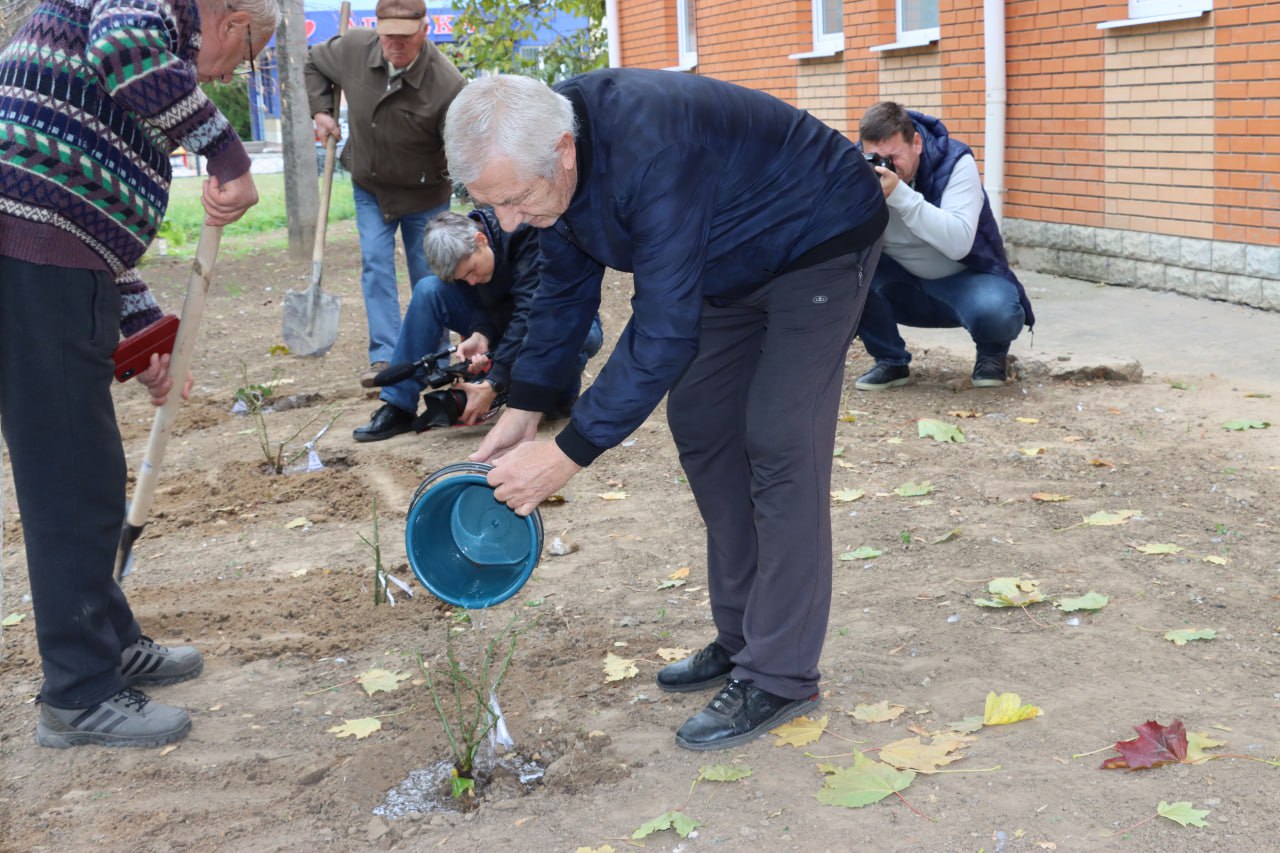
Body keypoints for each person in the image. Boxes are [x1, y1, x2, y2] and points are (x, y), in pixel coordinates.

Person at [443, 70, 888, 751]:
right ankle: (743, 638)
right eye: (489, 205)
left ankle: (780, 672)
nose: (504, 223)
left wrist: (568, 452)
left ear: (564, 152)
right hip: (727, 257)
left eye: (513, 199)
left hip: (818, 235)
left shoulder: (653, 151)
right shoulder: (546, 167)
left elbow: (662, 332)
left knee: (779, 437)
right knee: (702, 422)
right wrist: (526, 402)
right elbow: (562, 287)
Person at [0, 0, 279, 747]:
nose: (223, 77)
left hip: (50, 255)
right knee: (69, 478)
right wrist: (229, 158)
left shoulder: (153, 48)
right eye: (244, 59)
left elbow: (79, 210)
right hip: (27, 260)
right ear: (237, 21)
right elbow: (124, 52)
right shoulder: (148, 15)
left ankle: (109, 641)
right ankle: (79, 693)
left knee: (87, 467)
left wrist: (145, 331)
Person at [305, 0, 465, 384]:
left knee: (427, 276)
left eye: (405, 36)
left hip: (424, 195)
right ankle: (385, 358)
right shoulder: (353, 49)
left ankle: (434, 357)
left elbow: (460, 148)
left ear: (425, 30)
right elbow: (314, 61)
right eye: (388, 34)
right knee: (375, 264)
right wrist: (321, 111)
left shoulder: (448, 85)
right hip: (370, 186)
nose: (395, 44)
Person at [353, 209, 603, 441]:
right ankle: (398, 404)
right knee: (428, 290)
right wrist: (480, 333)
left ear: (481, 240)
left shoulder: (525, 232)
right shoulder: (468, 261)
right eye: (463, 278)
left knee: (579, 341)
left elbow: (530, 311)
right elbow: (481, 299)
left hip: (556, 321)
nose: (471, 281)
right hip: (505, 323)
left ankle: (555, 392)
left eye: (471, 271)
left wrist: (494, 382)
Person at [852, 102, 1035, 391]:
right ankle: (890, 360)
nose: (885, 167)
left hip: (964, 279)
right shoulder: (856, 169)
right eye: (877, 158)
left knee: (997, 310)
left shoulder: (954, 162)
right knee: (846, 275)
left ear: (916, 143)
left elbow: (958, 243)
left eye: (894, 157)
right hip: (899, 281)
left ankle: (992, 355)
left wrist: (900, 195)